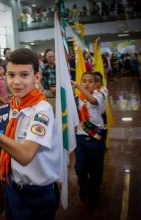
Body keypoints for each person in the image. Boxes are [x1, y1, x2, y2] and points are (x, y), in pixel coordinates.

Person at [0, 48, 60, 220]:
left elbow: (25, 154)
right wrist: (3, 168)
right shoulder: (12, 105)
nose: (16, 82)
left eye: (24, 75)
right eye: (11, 75)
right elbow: (9, 141)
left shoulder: (41, 111)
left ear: (36, 77)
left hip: (36, 194)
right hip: (11, 185)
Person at [71, 72, 106, 211]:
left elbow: (92, 100)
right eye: (83, 81)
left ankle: (94, 197)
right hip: (80, 138)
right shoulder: (76, 98)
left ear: (96, 83)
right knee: (80, 168)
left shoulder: (100, 94)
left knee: (96, 170)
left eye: (90, 81)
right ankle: (83, 186)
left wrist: (78, 86)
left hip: (96, 138)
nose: (87, 83)